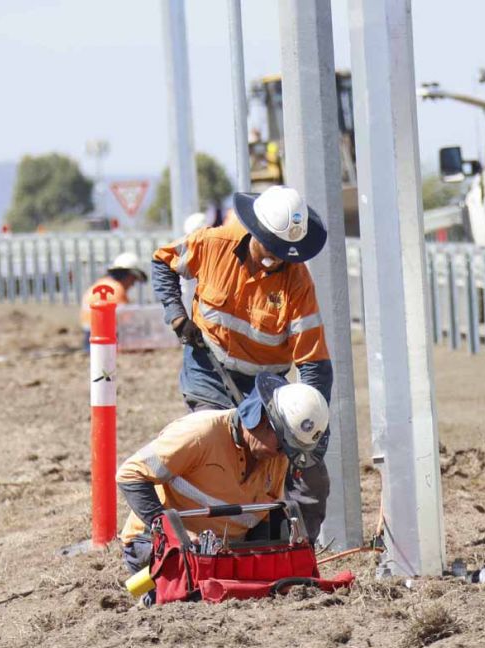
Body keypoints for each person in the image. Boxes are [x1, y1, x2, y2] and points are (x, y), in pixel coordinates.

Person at [150, 185, 333, 542]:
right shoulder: (213, 243)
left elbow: (314, 363)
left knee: (293, 464)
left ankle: (290, 547)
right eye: (270, 249)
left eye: (284, 254)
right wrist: (176, 315)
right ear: (255, 232)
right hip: (209, 370)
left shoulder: (298, 282)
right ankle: (218, 541)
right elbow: (162, 262)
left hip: (266, 384)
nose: (275, 260)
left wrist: (308, 438)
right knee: (222, 450)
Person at [117, 373, 329, 580]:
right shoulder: (200, 434)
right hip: (154, 547)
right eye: (282, 445)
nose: (282, 455)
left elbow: (262, 517)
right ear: (262, 419)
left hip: (221, 556)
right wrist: (171, 532)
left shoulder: (275, 456)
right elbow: (130, 474)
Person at [79, 252, 148, 351]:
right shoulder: (116, 289)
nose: (132, 284)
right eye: (133, 280)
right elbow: (127, 321)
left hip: (89, 334)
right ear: (128, 275)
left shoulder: (102, 284)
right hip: (105, 336)